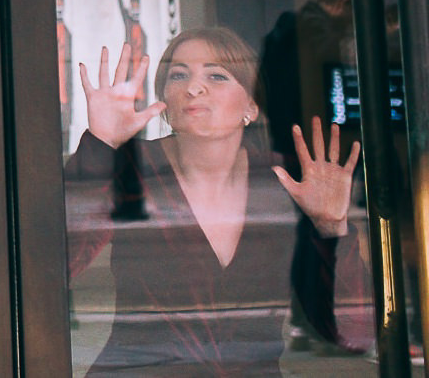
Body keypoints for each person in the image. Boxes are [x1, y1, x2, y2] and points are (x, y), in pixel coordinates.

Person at [67, 24, 367, 378]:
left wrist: (331, 228)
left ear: (252, 106)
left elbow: (352, 332)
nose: (194, 88)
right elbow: (50, 266)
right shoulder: (134, 169)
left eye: (217, 76)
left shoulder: (283, 184)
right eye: (179, 75)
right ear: (164, 100)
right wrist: (101, 146)